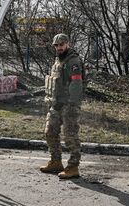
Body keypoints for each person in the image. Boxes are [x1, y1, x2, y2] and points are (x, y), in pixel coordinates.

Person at [40, 33, 85, 179]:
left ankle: (73, 167)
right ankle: (56, 161)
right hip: (56, 104)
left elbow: (76, 84)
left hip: (69, 105)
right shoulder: (58, 61)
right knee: (50, 131)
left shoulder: (73, 61)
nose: (59, 47)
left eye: (61, 45)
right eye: (56, 45)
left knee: (70, 136)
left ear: (67, 44)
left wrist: (72, 104)